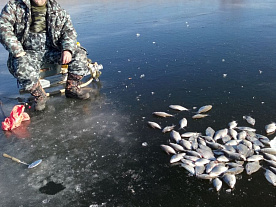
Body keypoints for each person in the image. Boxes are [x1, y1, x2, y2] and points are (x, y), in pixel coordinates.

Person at [0, 0, 92, 111]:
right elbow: (3, 27)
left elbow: (68, 31)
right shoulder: (15, 7)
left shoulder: (56, 9)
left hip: (51, 51)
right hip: (27, 53)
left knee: (79, 54)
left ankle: (72, 88)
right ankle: (39, 95)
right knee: (21, 66)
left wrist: (67, 49)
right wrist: (18, 51)